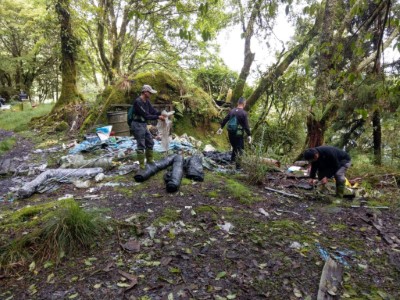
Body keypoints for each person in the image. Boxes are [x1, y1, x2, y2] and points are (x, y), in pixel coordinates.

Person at [131, 84, 165, 169]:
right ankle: (142, 165)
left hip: (143, 124)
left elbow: (152, 111)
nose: (151, 94)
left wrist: (161, 113)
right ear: (145, 92)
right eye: (150, 92)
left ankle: (150, 160)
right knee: (141, 144)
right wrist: (158, 117)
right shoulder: (138, 102)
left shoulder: (147, 101)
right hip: (137, 124)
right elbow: (146, 115)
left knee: (150, 142)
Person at [217, 97, 252, 170]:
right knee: (240, 150)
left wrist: (221, 128)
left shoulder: (232, 111)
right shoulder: (244, 113)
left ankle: (232, 163)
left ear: (237, 103)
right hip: (238, 134)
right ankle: (238, 167)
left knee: (235, 148)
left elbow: (225, 119)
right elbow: (246, 126)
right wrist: (249, 135)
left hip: (230, 133)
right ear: (244, 104)